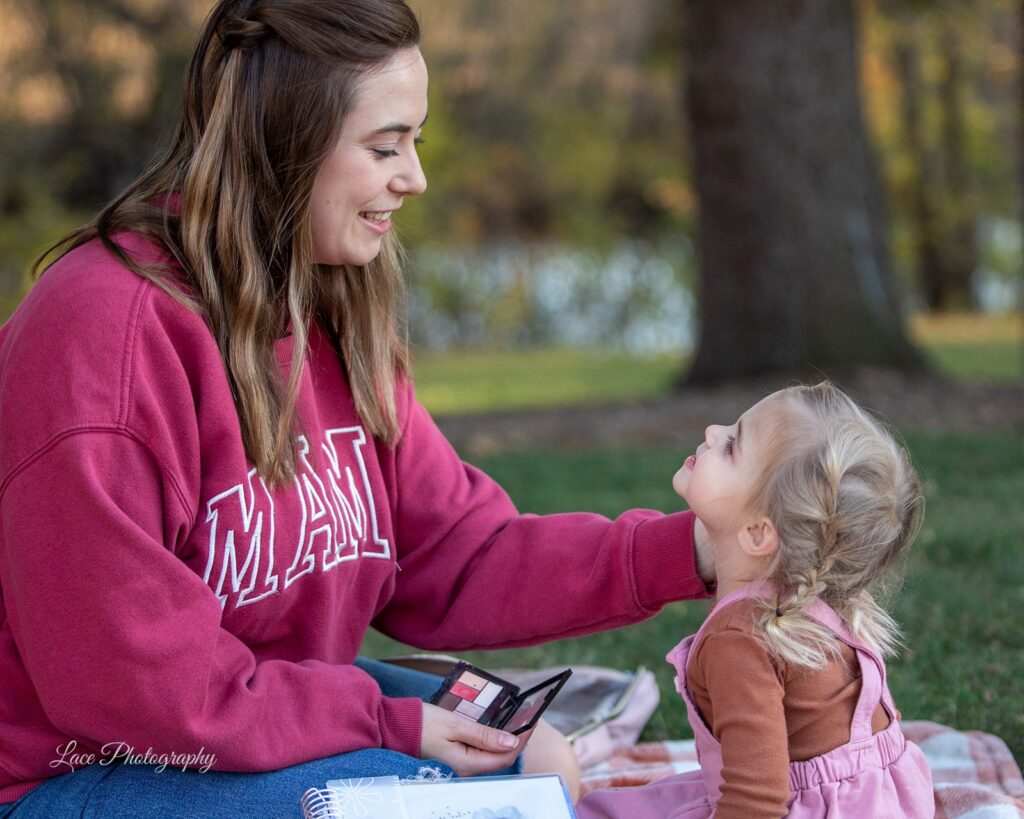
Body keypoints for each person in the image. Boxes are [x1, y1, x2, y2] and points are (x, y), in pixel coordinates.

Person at [0, 1, 713, 816]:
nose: (414, 177)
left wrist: (691, 550)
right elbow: (127, 684)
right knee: (455, 804)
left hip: (252, 703)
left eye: (413, 141)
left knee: (529, 759)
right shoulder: (103, 336)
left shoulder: (325, 302)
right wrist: (384, 721)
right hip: (74, 768)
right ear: (283, 147)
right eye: (385, 147)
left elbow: (459, 552)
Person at [576, 382, 935, 818]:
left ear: (760, 533)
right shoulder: (810, 598)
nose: (711, 431)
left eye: (731, 446)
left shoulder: (739, 639)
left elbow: (757, 801)